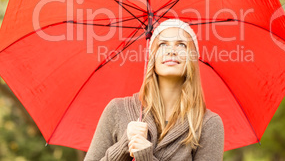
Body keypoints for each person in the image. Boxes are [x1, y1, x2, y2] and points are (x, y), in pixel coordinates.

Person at [84, 19, 224, 161]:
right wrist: (123, 146)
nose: (171, 51)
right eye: (163, 44)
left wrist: (147, 158)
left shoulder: (208, 124)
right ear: (152, 57)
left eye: (181, 45)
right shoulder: (117, 110)